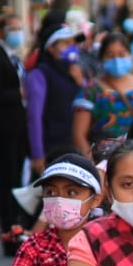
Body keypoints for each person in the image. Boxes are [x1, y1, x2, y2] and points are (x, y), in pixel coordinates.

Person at [0, 12, 31, 255]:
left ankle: (13, 227)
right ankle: (7, 232)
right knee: (5, 179)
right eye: (12, 28)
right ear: (0, 31)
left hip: (17, 128)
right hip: (4, 129)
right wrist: (19, 94)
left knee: (15, 177)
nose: (17, 33)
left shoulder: (13, 57)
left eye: (19, 28)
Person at [72, 32, 133, 155]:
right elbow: (78, 134)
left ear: (129, 55)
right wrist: (92, 164)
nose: (116, 59)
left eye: (122, 54)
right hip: (103, 159)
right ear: (101, 57)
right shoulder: (90, 90)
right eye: (110, 55)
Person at [26, 26, 83, 177]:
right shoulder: (40, 74)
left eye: (73, 43)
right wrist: (38, 154)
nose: (71, 47)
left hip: (73, 145)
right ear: (51, 48)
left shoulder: (75, 71)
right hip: (51, 147)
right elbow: (34, 116)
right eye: (65, 43)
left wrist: (81, 82)